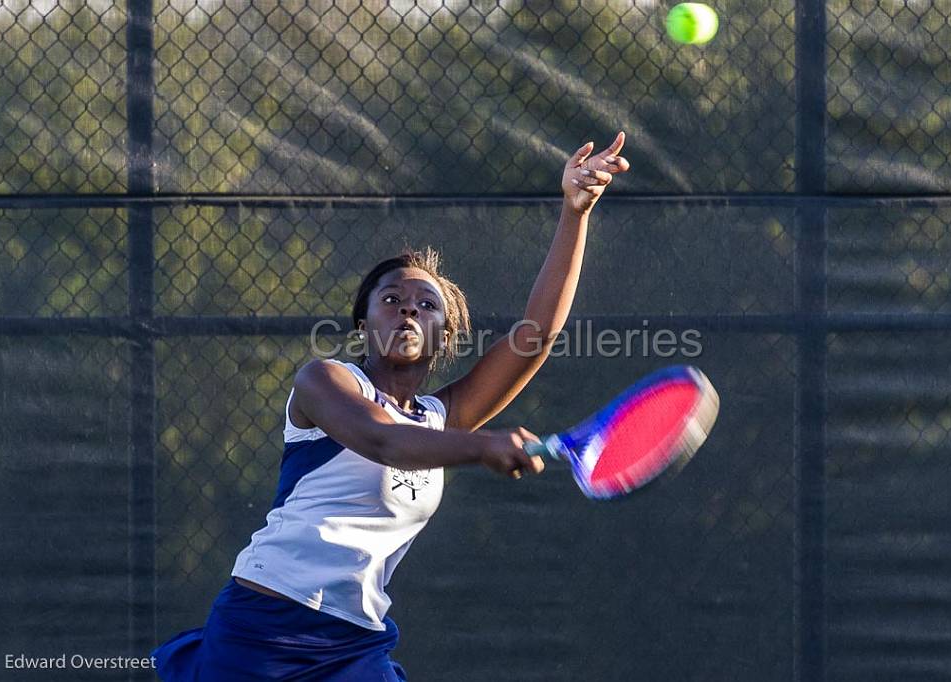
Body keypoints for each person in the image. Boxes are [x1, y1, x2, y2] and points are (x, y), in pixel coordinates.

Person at [151, 133, 630, 680]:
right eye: (391, 300)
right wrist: (483, 446)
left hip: (356, 643)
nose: (408, 311)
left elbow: (536, 335)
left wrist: (575, 211)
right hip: (263, 625)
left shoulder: (440, 418)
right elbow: (385, 441)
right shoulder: (324, 381)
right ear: (364, 324)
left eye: (426, 305)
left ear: (442, 335)